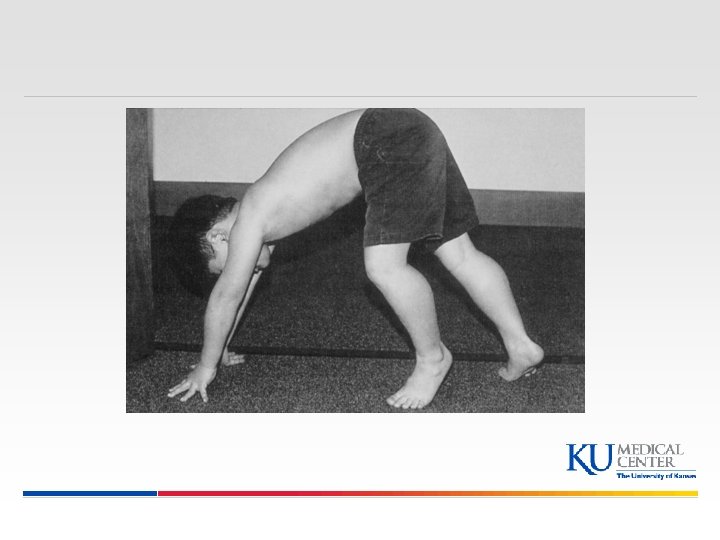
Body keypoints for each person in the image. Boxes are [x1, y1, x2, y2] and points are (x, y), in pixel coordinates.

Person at [166, 109, 544, 409]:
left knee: (384, 267)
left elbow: (227, 295)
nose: (248, 267)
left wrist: (205, 367)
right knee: (459, 253)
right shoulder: (263, 211)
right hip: (410, 126)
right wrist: (221, 347)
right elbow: (242, 287)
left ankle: (433, 359)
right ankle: (521, 345)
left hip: (382, 138)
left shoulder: (251, 217)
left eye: (223, 265)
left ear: (218, 236)